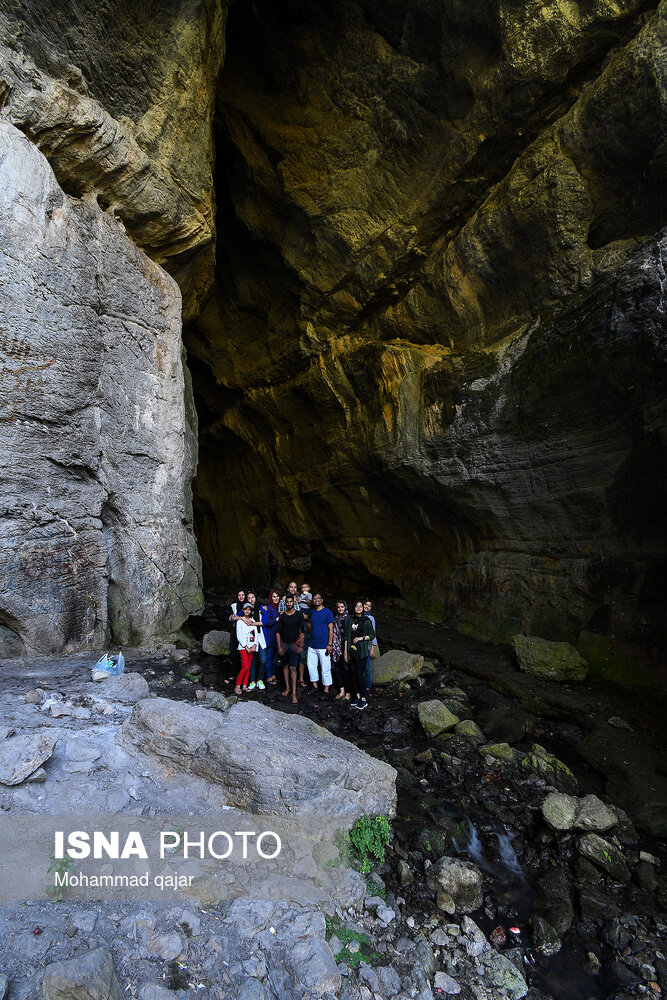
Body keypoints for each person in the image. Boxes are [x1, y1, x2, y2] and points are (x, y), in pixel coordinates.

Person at [344, 601, 375, 710]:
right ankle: (356, 696)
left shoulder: (366, 621)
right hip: (352, 651)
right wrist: (345, 653)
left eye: (360, 606)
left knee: (359, 674)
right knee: (352, 674)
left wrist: (361, 638)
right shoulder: (351, 620)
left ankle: (363, 698)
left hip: (362, 652)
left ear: (363, 608)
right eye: (356, 606)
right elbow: (347, 637)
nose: (358, 608)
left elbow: (372, 635)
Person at [275, 595, 304, 704]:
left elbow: (302, 631)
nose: (289, 603)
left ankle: (294, 693)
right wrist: (279, 646)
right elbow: (278, 632)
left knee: (293, 668)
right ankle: (287, 688)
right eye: (287, 602)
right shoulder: (282, 617)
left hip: (294, 645)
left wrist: (300, 646)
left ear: (294, 602)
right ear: (285, 603)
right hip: (284, 645)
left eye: (291, 601)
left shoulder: (299, 615)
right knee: (285, 666)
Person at [235, 603, 265, 694]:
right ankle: (237, 685)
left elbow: (256, 634)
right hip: (243, 647)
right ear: (243, 610)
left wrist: (254, 645)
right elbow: (239, 635)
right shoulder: (240, 622)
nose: (247, 611)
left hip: (251, 647)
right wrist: (246, 646)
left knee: (248, 666)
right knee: (245, 666)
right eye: (246, 609)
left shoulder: (252, 621)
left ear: (251, 611)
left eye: (249, 609)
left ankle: (245, 685)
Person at [307, 593, 334, 691]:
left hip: (323, 645)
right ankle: (315, 686)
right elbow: (311, 625)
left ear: (322, 600)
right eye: (314, 599)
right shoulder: (312, 612)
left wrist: (330, 644)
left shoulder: (328, 612)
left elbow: (331, 628)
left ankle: (326, 689)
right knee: (311, 666)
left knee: (325, 668)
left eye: (318, 598)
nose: (316, 600)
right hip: (312, 644)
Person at [259, 588, 281, 685]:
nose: (276, 598)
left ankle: (273, 675)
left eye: (277, 596)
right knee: (269, 657)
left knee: (275, 658)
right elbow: (267, 622)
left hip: (279, 635)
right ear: (270, 598)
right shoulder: (269, 607)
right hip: (271, 635)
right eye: (273, 596)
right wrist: (277, 619)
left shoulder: (280, 606)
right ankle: (268, 676)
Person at [332, 599, 350, 700]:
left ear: (345, 607)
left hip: (346, 647)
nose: (340, 609)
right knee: (338, 669)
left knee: (346, 669)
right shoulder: (336, 618)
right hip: (337, 647)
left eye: (342, 607)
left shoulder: (349, 618)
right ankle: (342, 691)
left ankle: (348, 693)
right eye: (338, 607)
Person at [227, 589, 246, 680]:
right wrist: (232, 617)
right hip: (235, 632)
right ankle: (232, 674)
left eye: (243, 595)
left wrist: (238, 617)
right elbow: (229, 617)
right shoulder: (233, 606)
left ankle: (240, 674)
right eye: (239, 595)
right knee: (233, 653)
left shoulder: (248, 606)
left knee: (242, 654)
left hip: (244, 632)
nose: (241, 597)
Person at [297, 582, 313, 688]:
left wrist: (307, 597)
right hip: (301, 634)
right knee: (302, 655)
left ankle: (312, 679)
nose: (304, 589)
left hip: (311, 638)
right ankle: (301, 677)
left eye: (306, 587)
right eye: (302, 588)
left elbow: (310, 603)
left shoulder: (310, 597)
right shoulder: (299, 596)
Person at [363, 599, 377, 697]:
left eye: (369, 606)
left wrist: (372, 648)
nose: (367, 607)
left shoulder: (371, 618)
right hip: (358, 647)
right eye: (365, 605)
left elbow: (373, 634)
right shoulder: (356, 617)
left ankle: (367, 688)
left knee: (367, 668)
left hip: (367, 646)